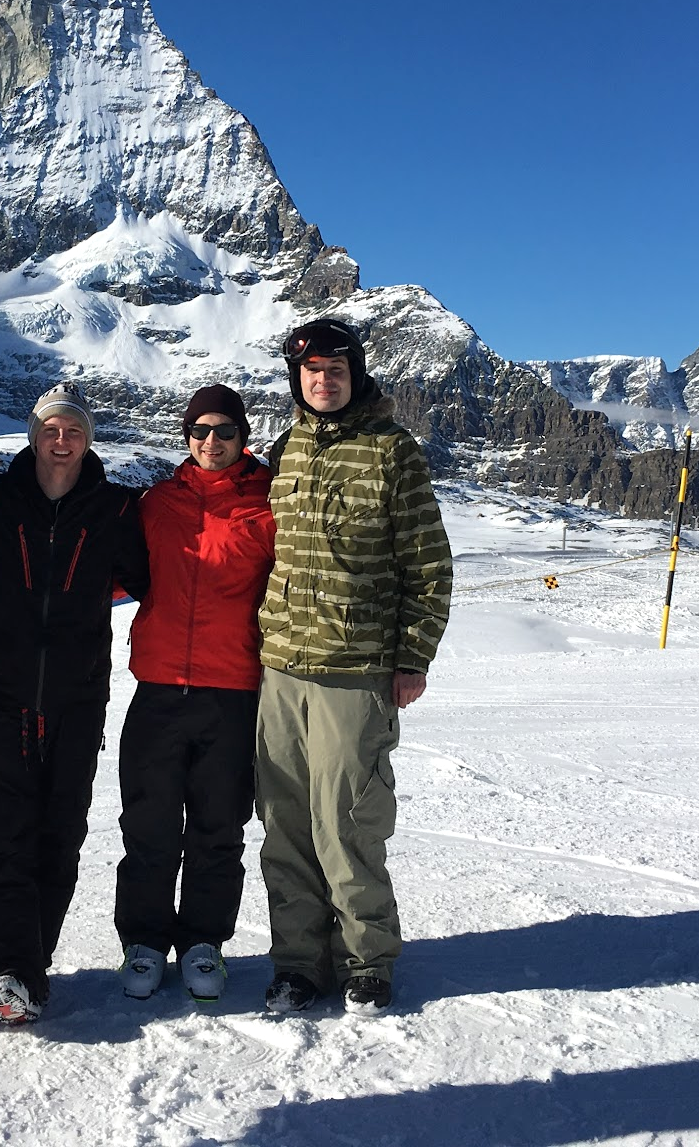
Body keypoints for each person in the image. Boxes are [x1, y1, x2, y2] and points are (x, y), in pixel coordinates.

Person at [255, 319, 453, 1017]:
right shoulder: (288, 449)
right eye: (311, 371)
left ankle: (367, 960)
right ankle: (299, 963)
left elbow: (429, 566)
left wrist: (413, 657)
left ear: (356, 373)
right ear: (297, 379)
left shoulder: (393, 452)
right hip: (280, 669)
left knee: (348, 823)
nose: (323, 380)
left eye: (336, 369)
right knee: (284, 825)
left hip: (356, 671)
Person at [0, 383, 149, 1024]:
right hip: (1, 694)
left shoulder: (115, 509)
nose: (63, 440)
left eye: (75, 430)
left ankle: (31, 967)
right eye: (52, 429)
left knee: (62, 832)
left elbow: (152, 577)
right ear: (33, 435)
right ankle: (6, 970)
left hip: (78, 699)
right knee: (5, 831)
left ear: (89, 439)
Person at [115, 384, 274, 1003]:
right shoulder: (156, 504)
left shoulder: (268, 508)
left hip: (233, 691)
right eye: (201, 430)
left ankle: (204, 942)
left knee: (218, 825)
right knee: (149, 824)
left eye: (225, 431)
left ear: (244, 438)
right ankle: (146, 942)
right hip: (157, 688)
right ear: (186, 436)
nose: (212, 441)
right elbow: (121, 570)